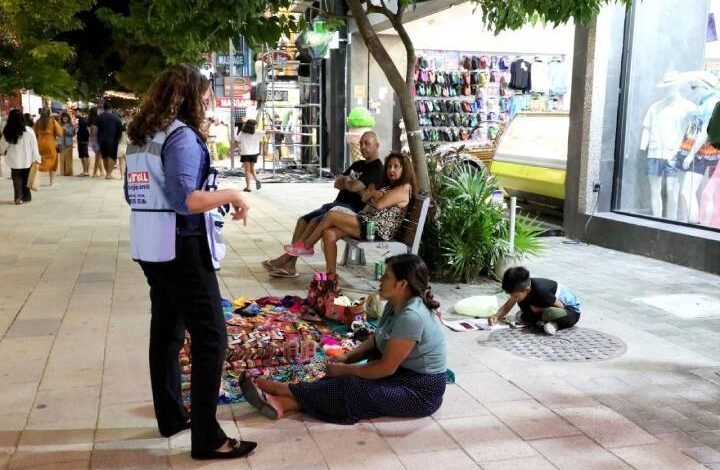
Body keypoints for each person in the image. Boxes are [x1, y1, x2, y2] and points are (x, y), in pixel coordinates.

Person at [125, 63, 256, 460]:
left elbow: (135, 193)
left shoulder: (143, 136)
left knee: (166, 331)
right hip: (181, 247)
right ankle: (208, 437)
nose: (206, 100)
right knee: (211, 336)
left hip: (151, 245)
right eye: (203, 93)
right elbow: (188, 200)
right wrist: (234, 193)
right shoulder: (180, 137)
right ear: (189, 97)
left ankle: (171, 415)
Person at [241, 254, 447, 423]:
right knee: (345, 378)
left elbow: (386, 368)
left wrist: (345, 369)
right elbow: (377, 339)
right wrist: (348, 359)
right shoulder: (396, 304)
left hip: (420, 391)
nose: (381, 280)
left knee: (352, 386)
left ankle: (283, 390)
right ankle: (284, 404)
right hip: (402, 375)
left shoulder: (412, 316)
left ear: (402, 284)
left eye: (386, 277)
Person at [263, 131, 384, 278]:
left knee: (316, 222)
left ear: (376, 146)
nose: (363, 147)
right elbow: (337, 182)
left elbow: (354, 186)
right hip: (335, 205)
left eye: (367, 144)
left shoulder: (377, 168)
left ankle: (286, 259)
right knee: (303, 220)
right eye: (361, 143)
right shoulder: (358, 164)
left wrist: (347, 181)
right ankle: (290, 264)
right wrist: (347, 182)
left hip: (349, 210)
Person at [285, 152, 415, 275]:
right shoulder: (390, 186)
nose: (391, 170)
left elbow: (379, 205)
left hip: (377, 229)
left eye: (396, 167)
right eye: (389, 166)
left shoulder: (404, 188)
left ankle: (307, 245)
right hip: (367, 222)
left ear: (404, 170)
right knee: (328, 233)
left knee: (331, 215)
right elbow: (365, 198)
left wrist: (374, 195)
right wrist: (375, 195)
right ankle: (331, 278)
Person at [490, 266, 581, 335]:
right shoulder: (521, 289)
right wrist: (497, 316)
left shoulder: (541, 291)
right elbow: (508, 304)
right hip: (542, 307)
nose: (513, 298)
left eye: (516, 296)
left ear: (527, 289)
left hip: (569, 311)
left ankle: (554, 325)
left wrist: (539, 310)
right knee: (524, 310)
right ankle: (542, 322)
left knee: (550, 312)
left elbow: (561, 307)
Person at [0, 109, 41, 204]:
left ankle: (18, 197)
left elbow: (2, 146)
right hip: (27, 158)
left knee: (16, 177)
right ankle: (26, 196)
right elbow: (34, 146)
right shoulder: (29, 131)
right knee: (26, 176)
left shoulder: (7, 131)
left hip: (14, 159)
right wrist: (37, 158)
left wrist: (2, 152)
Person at [231, 119, 276, 192]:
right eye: (255, 125)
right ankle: (257, 179)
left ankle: (248, 187)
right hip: (254, 154)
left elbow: (236, 142)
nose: (256, 126)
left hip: (245, 153)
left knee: (247, 171)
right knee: (252, 169)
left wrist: (235, 149)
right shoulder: (257, 132)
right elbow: (268, 132)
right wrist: (278, 131)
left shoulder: (242, 133)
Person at [34, 109, 63, 186]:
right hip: (50, 142)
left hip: (40, 142)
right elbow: (60, 133)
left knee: (40, 160)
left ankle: (35, 181)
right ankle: (51, 182)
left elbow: (34, 132)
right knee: (53, 161)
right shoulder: (52, 121)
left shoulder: (37, 122)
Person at [95, 102, 123, 179]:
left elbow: (95, 129)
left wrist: (96, 138)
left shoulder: (99, 117)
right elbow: (120, 130)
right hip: (113, 140)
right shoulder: (117, 118)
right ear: (111, 108)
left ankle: (107, 173)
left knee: (105, 156)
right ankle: (109, 174)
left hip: (101, 140)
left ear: (103, 108)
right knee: (112, 157)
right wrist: (118, 139)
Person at [59, 112, 75, 176]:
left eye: (66, 117)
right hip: (61, 142)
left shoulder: (71, 125)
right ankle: (62, 172)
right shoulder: (59, 124)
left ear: (68, 118)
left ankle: (69, 172)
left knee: (69, 157)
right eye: (63, 117)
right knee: (62, 157)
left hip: (68, 143)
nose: (65, 118)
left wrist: (66, 131)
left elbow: (73, 134)